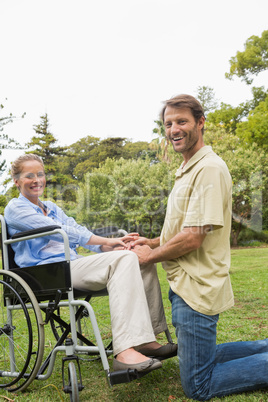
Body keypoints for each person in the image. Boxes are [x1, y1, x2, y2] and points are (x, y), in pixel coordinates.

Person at [130, 94, 268, 400]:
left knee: (198, 384)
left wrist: (149, 255)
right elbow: (182, 228)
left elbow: (193, 237)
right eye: (168, 123)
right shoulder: (189, 168)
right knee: (198, 360)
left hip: (196, 287)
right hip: (187, 283)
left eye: (182, 121)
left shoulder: (208, 169)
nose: (174, 129)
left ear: (200, 123)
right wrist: (149, 241)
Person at [4, 153, 177, 374]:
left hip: (72, 264)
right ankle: (124, 352)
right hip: (46, 272)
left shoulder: (52, 207)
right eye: (30, 176)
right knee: (125, 259)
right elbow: (60, 232)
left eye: (40, 174)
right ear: (17, 180)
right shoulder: (15, 209)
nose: (37, 180)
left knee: (139, 259)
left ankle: (145, 339)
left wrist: (111, 246)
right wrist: (106, 240)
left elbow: (78, 230)